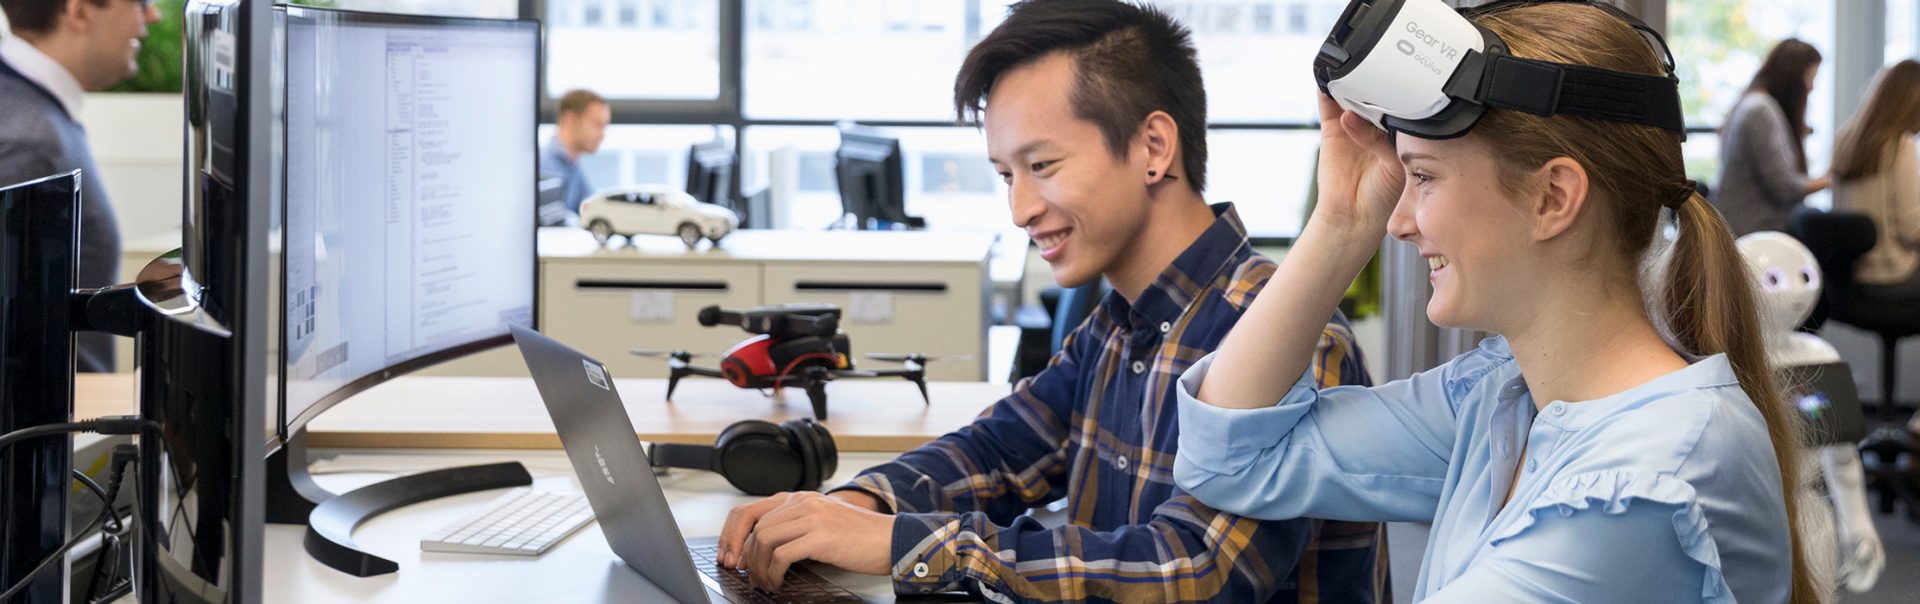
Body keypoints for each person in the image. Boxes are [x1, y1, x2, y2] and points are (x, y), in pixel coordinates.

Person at [712, 2, 1386, 602]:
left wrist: (897, 543)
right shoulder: (1119, 323)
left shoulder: (1288, 333)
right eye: (1007, 174)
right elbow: (998, 448)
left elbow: (1194, 571)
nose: (1020, 208)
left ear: (1154, 147)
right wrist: (854, 506)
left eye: (1042, 166)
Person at [1174, 3, 1814, 603]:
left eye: (1422, 176)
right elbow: (1230, 458)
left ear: (1552, 199)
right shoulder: (1504, 401)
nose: (1397, 223)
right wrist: (1340, 222)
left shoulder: (1645, 483)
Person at [0, 0, 161, 372]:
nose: (152, 14)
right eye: (140, 2)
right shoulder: (28, 141)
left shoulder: (34, 114)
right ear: (79, 10)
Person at [1712, 39, 1829, 237]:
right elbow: (1784, 187)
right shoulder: (1761, 111)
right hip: (1755, 233)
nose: (1811, 87)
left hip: (1745, 228)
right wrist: (1829, 179)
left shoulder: (1748, 103)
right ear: (1793, 76)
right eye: (1810, 77)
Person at [1832, 59, 1920, 297]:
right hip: (1892, 273)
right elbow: (1911, 230)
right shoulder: (1902, 146)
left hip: (1851, 273)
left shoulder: (1844, 138)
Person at [539, 88, 609, 226]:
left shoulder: (573, 165)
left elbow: (592, 209)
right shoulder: (542, 165)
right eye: (597, 125)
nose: (602, 135)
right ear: (569, 120)